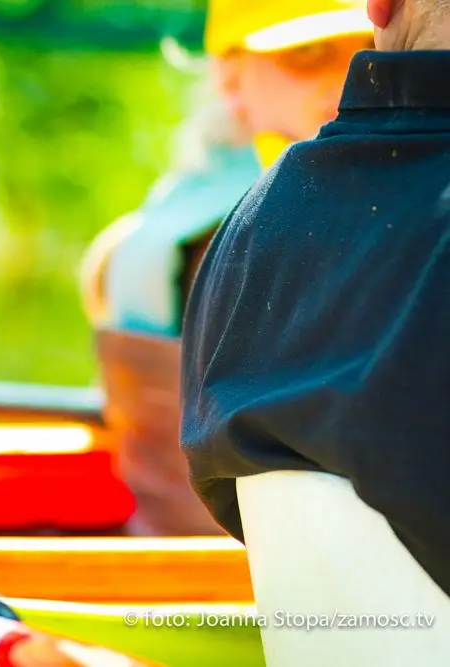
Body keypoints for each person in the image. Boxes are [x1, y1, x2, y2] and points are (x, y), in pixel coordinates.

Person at [181, 0, 450, 599]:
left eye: (351, 45)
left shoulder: (246, 227)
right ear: (229, 78)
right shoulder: (197, 239)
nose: (342, 70)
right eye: (305, 55)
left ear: (380, 10)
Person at [80, 0, 374, 537]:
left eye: (375, 48)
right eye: (308, 54)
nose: (355, 74)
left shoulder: (179, 206)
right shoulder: (273, 225)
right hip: (258, 586)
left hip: (179, 557)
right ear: (229, 77)